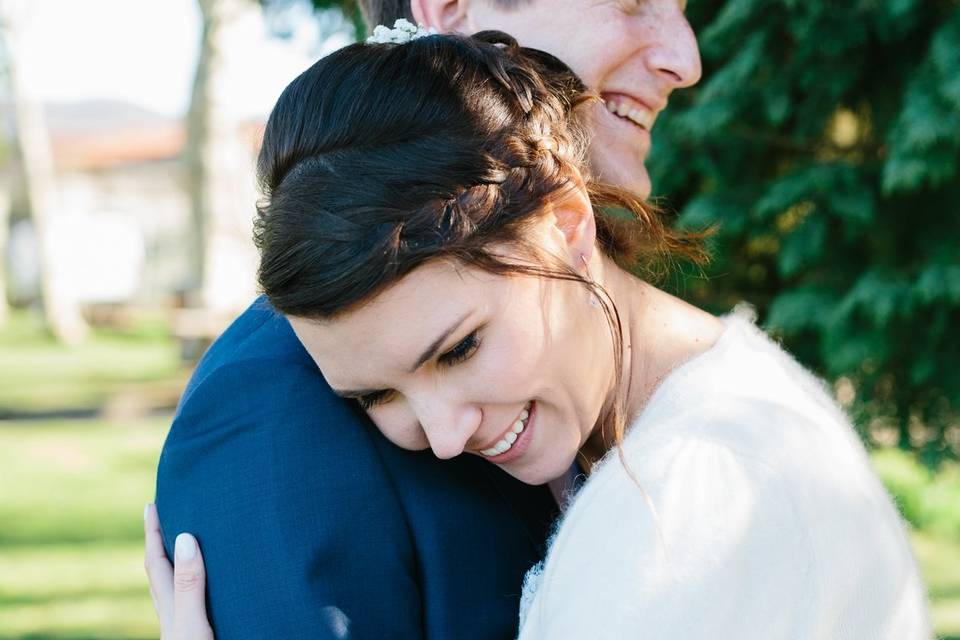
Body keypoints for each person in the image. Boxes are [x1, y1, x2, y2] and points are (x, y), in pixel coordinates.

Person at [147, 23, 931, 640]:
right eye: (378, 394)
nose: (445, 436)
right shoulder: (724, 404)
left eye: (460, 348)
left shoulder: (688, 501)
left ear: (566, 226)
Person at [149, 1, 702, 639]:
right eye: (632, 1)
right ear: (450, 9)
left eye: (461, 349)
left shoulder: (595, 363)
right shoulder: (271, 406)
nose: (683, 61)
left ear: (566, 225)